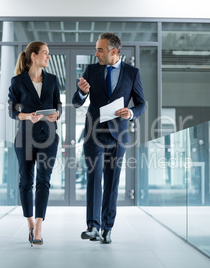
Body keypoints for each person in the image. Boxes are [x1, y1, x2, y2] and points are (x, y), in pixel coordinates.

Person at [72, 32, 146, 244]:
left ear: (114, 52)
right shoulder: (91, 70)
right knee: (94, 179)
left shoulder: (132, 73)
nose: (96, 53)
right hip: (94, 133)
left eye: (100, 50)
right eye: (96, 49)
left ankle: (107, 228)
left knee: (112, 183)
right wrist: (82, 93)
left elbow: (141, 104)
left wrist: (130, 113)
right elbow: (77, 102)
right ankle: (93, 226)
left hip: (118, 134)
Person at [8, 41, 61, 247]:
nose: (48, 57)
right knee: (25, 181)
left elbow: (58, 105)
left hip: (49, 137)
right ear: (33, 56)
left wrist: (57, 114)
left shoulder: (53, 80)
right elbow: (12, 111)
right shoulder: (17, 81)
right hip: (25, 138)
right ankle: (30, 222)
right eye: (45, 53)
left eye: (48, 53)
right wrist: (27, 116)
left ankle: (38, 227)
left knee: (43, 181)